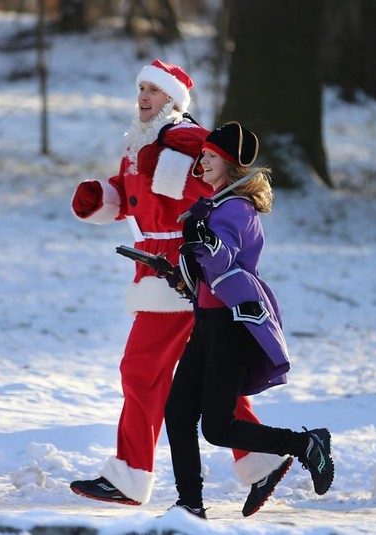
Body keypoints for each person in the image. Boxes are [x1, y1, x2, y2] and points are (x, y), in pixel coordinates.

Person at [69, 59, 291, 514]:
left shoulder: (184, 141)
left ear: (172, 99)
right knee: (207, 374)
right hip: (166, 274)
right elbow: (132, 195)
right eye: (141, 88)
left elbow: (219, 181)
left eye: (153, 90)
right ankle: (261, 460)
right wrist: (101, 198)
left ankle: (130, 475)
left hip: (176, 274)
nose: (143, 96)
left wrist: (186, 182)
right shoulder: (140, 144)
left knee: (141, 371)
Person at [163, 122, 335, 519]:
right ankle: (189, 505)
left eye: (210, 156)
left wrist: (204, 240)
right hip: (208, 324)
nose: (202, 161)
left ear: (228, 162)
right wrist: (179, 273)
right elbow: (208, 274)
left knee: (218, 427)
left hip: (232, 327)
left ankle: (305, 445)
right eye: (203, 155)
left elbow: (224, 258)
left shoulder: (235, 208)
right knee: (178, 412)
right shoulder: (214, 205)